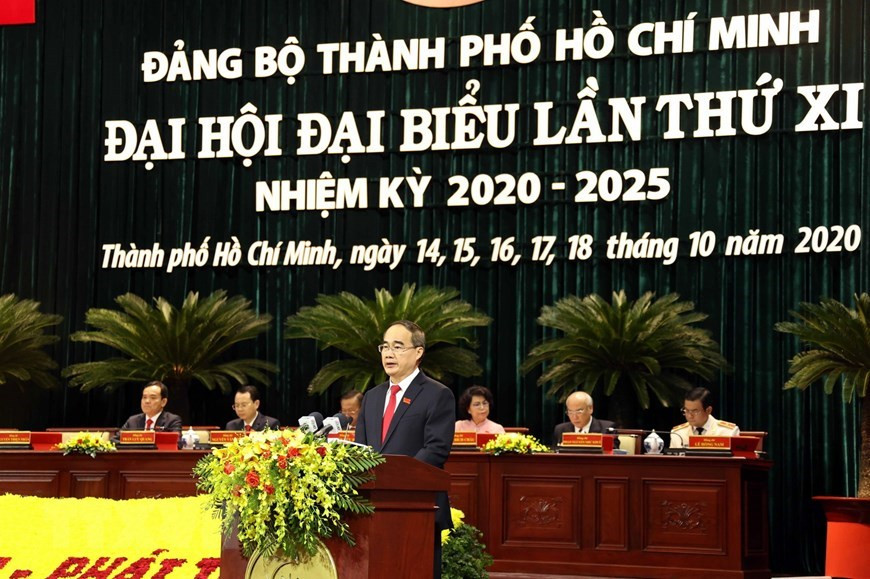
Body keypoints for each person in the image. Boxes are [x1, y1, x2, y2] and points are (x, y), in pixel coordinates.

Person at [355, 320, 455, 579]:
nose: (389, 353)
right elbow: (362, 450)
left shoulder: (437, 394)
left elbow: (436, 449)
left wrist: (394, 480)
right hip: (372, 509)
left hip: (416, 506)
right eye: (385, 347)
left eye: (398, 347)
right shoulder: (373, 397)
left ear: (418, 352)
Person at [670, 387, 739, 448]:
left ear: (708, 410)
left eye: (695, 411)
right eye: (686, 410)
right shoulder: (677, 433)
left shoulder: (728, 432)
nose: (689, 416)